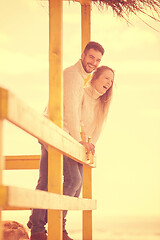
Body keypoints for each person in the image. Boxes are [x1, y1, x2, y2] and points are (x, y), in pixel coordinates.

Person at [27, 41, 105, 240]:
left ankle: (39, 225)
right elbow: (70, 111)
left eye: (98, 60)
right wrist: (78, 141)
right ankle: (49, 221)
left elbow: (77, 115)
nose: (94, 62)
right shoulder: (72, 75)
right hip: (54, 131)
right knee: (74, 180)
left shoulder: (81, 78)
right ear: (83, 55)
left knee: (47, 180)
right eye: (91, 57)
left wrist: (84, 139)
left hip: (57, 131)